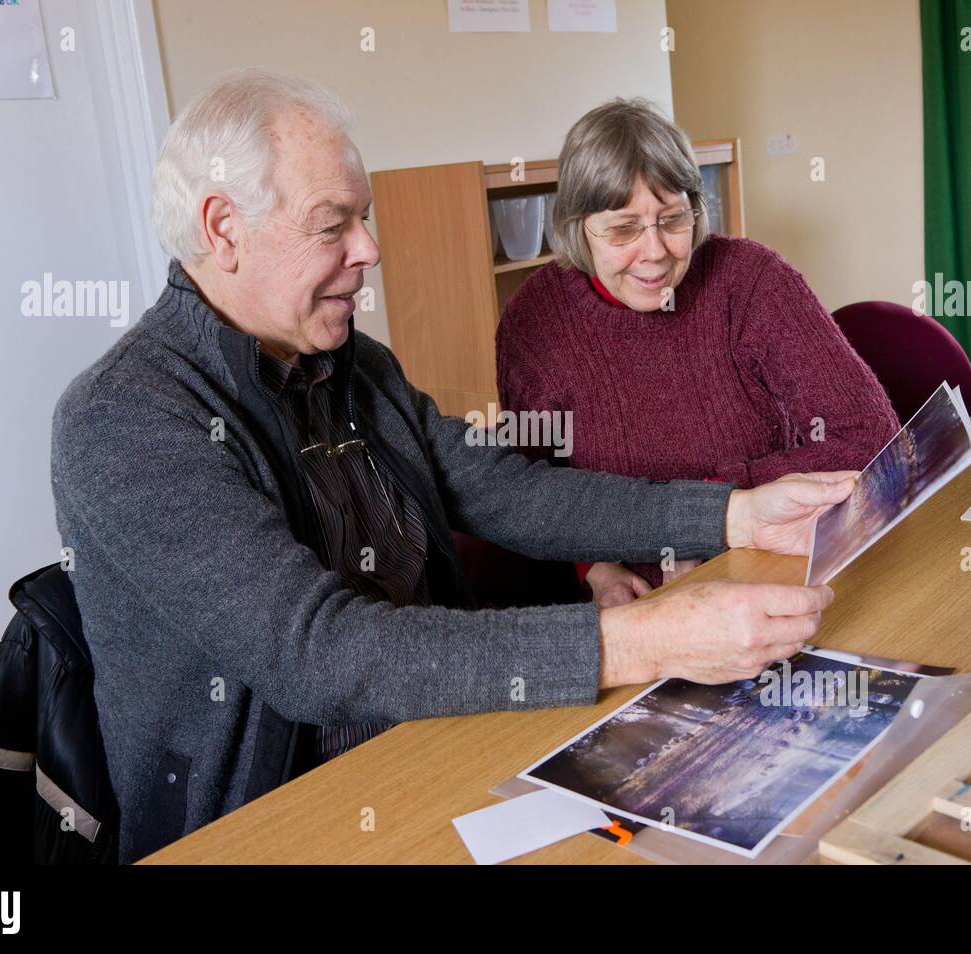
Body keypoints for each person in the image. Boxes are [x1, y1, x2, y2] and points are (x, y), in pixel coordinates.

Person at [51, 69, 854, 863]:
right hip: (278, 820)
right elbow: (319, 656)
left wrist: (732, 516)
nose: (370, 249)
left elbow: (510, 492)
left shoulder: (355, 365)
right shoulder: (123, 417)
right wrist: (639, 641)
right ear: (222, 229)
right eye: (334, 226)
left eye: (363, 219)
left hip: (451, 729)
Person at [496, 98, 898, 608]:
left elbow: (871, 436)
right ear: (578, 228)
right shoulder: (535, 321)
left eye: (672, 219)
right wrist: (597, 568)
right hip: (645, 601)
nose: (655, 251)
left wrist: (719, 509)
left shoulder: (752, 281)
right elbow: (526, 492)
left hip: (778, 560)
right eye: (623, 229)